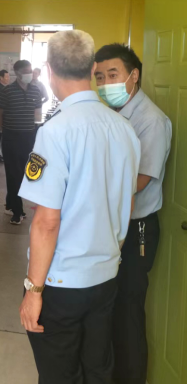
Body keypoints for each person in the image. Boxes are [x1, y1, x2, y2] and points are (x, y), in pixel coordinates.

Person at [18, 30, 141, 384]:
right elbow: (127, 202)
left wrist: (34, 291)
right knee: (98, 368)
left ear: (49, 71)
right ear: (91, 69)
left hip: (62, 283)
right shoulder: (124, 129)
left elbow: (47, 221)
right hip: (105, 277)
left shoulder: (55, 131)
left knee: (60, 373)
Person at [95, 43, 172, 384]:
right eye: (99, 77)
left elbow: (139, 180)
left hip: (137, 227)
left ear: (133, 75)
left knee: (128, 309)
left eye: (113, 74)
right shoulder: (112, 114)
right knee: (110, 306)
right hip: (113, 224)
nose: (105, 83)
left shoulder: (151, 121)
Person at [0, 60, 42, 225]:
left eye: (30, 70)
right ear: (17, 73)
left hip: (29, 137)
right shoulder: (7, 91)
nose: (30, 73)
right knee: (13, 173)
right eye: (26, 71)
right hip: (11, 137)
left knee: (22, 173)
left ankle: (10, 203)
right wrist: (4, 130)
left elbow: (37, 113)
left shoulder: (36, 90)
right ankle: (17, 211)